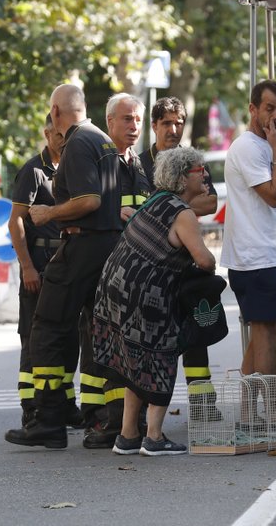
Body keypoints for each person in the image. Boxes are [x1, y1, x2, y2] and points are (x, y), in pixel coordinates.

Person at [5, 83, 122, 449]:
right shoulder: (103, 140)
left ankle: (49, 420)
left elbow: (88, 200)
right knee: (98, 332)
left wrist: (49, 212)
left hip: (83, 245)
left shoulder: (77, 143)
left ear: (56, 112)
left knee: (48, 327)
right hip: (106, 246)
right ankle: (109, 422)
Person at [92, 147, 216, 456]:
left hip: (114, 289)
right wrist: (210, 256)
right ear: (183, 177)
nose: (204, 176)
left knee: (135, 362)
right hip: (145, 295)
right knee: (161, 356)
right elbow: (205, 261)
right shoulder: (182, 213)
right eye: (199, 171)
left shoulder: (156, 201)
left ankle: (128, 435)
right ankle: (155, 437)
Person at [220, 80, 276, 435]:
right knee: (267, 335)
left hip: (260, 256)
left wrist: (274, 149)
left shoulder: (259, 145)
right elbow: (275, 197)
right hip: (253, 258)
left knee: (261, 335)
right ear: (253, 109)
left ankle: (247, 414)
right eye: (269, 108)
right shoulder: (248, 148)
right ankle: (273, 415)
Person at [140, 96, 222, 422]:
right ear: (154, 126)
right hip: (152, 264)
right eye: (166, 123)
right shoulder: (139, 163)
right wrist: (182, 204)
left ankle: (203, 405)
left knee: (195, 332)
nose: (173, 130)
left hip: (186, 260)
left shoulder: (191, 160)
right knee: (150, 337)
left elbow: (210, 201)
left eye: (179, 123)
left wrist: (165, 206)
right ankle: (144, 412)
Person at [78, 93, 150, 449]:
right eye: (126, 119)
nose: (134, 126)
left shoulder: (136, 164)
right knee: (105, 345)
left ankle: (118, 419)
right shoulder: (101, 160)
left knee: (124, 346)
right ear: (109, 122)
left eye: (137, 119)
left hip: (135, 270)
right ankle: (109, 420)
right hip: (106, 269)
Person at [7, 114, 84, 429]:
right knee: (34, 337)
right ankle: (32, 406)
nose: (62, 139)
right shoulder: (33, 171)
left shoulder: (71, 168)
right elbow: (16, 222)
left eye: (66, 134)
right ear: (46, 133)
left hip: (64, 262)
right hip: (38, 264)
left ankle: (63, 402)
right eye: (57, 134)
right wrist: (27, 267)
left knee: (66, 335)